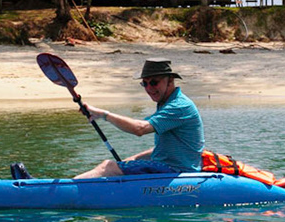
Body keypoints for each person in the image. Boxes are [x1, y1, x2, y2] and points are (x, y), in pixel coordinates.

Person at [74, 59, 204, 178]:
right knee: (123, 164)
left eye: (154, 82)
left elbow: (139, 128)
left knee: (107, 166)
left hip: (176, 171)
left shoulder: (179, 106)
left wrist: (103, 114)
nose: (149, 88)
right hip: (171, 168)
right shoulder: (167, 103)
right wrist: (133, 159)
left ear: (170, 80)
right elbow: (162, 150)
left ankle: (63, 190)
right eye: (145, 83)